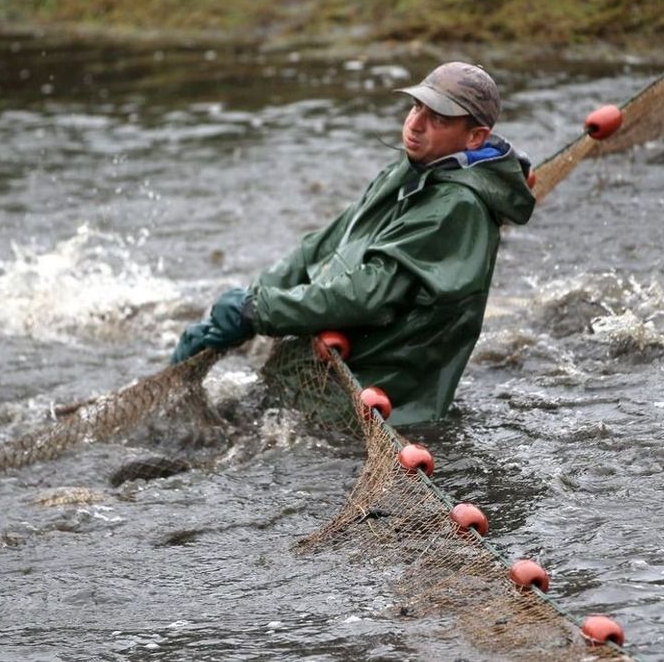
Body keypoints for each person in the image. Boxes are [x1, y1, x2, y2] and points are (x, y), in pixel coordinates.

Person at [171, 61, 535, 426]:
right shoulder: (414, 167)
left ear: (475, 138)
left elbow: (368, 295)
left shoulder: (456, 207)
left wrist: (260, 310)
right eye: (416, 107)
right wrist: (251, 299)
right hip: (325, 373)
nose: (416, 124)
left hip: (374, 402)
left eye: (438, 119)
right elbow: (324, 243)